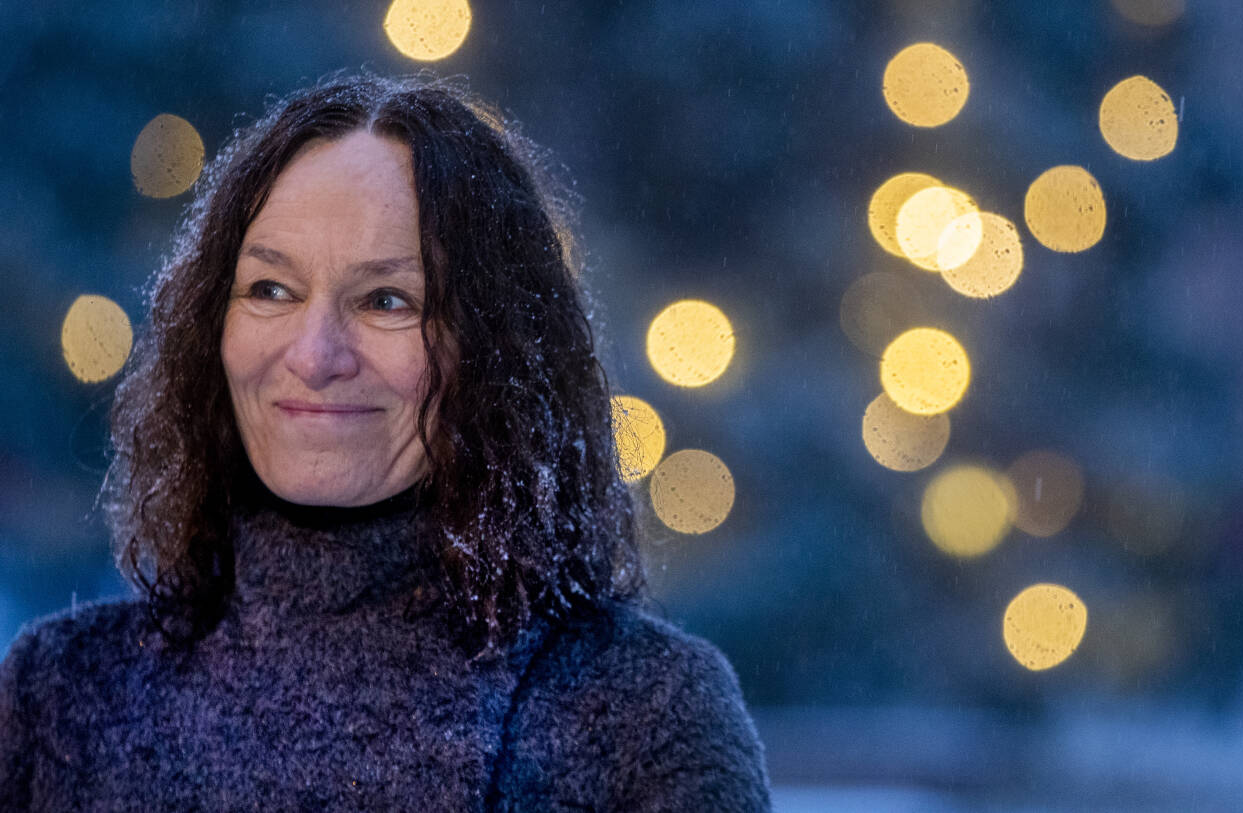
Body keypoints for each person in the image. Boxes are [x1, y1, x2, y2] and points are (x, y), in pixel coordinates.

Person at [0, 74, 771, 811]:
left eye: (388, 300)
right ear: (212, 326)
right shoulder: (56, 697)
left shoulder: (646, 712)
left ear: (497, 349)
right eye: (271, 289)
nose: (313, 354)